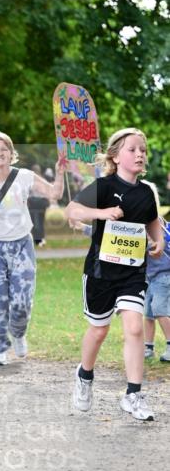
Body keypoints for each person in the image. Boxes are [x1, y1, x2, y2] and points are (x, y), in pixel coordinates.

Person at [65, 128, 164, 421]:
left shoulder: (146, 192)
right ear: (116, 156)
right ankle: (84, 376)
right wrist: (102, 213)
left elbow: (152, 222)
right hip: (100, 273)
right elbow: (72, 211)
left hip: (133, 273)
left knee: (134, 328)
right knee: (99, 330)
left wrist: (157, 242)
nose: (139, 154)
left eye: (142, 150)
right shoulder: (103, 186)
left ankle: (133, 395)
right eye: (132, 149)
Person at [0, 131, 65, 365]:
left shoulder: (24, 177)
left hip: (21, 245)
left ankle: (18, 333)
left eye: (4, 149)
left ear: (11, 153)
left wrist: (59, 173)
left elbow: (54, 194)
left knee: (22, 300)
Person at [143, 184, 170, 363]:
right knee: (148, 313)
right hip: (149, 277)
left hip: (163, 275)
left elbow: (158, 244)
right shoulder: (137, 224)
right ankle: (148, 347)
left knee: (161, 311)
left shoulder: (157, 223)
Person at [28, 164, 50, 247]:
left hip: (33, 203)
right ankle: (41, 239)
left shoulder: (30, 181)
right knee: (40, 222)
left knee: (34, 222)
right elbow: (48, 192)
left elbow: (27, 193)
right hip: (42, 203)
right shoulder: (43, 180)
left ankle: (37, 240)